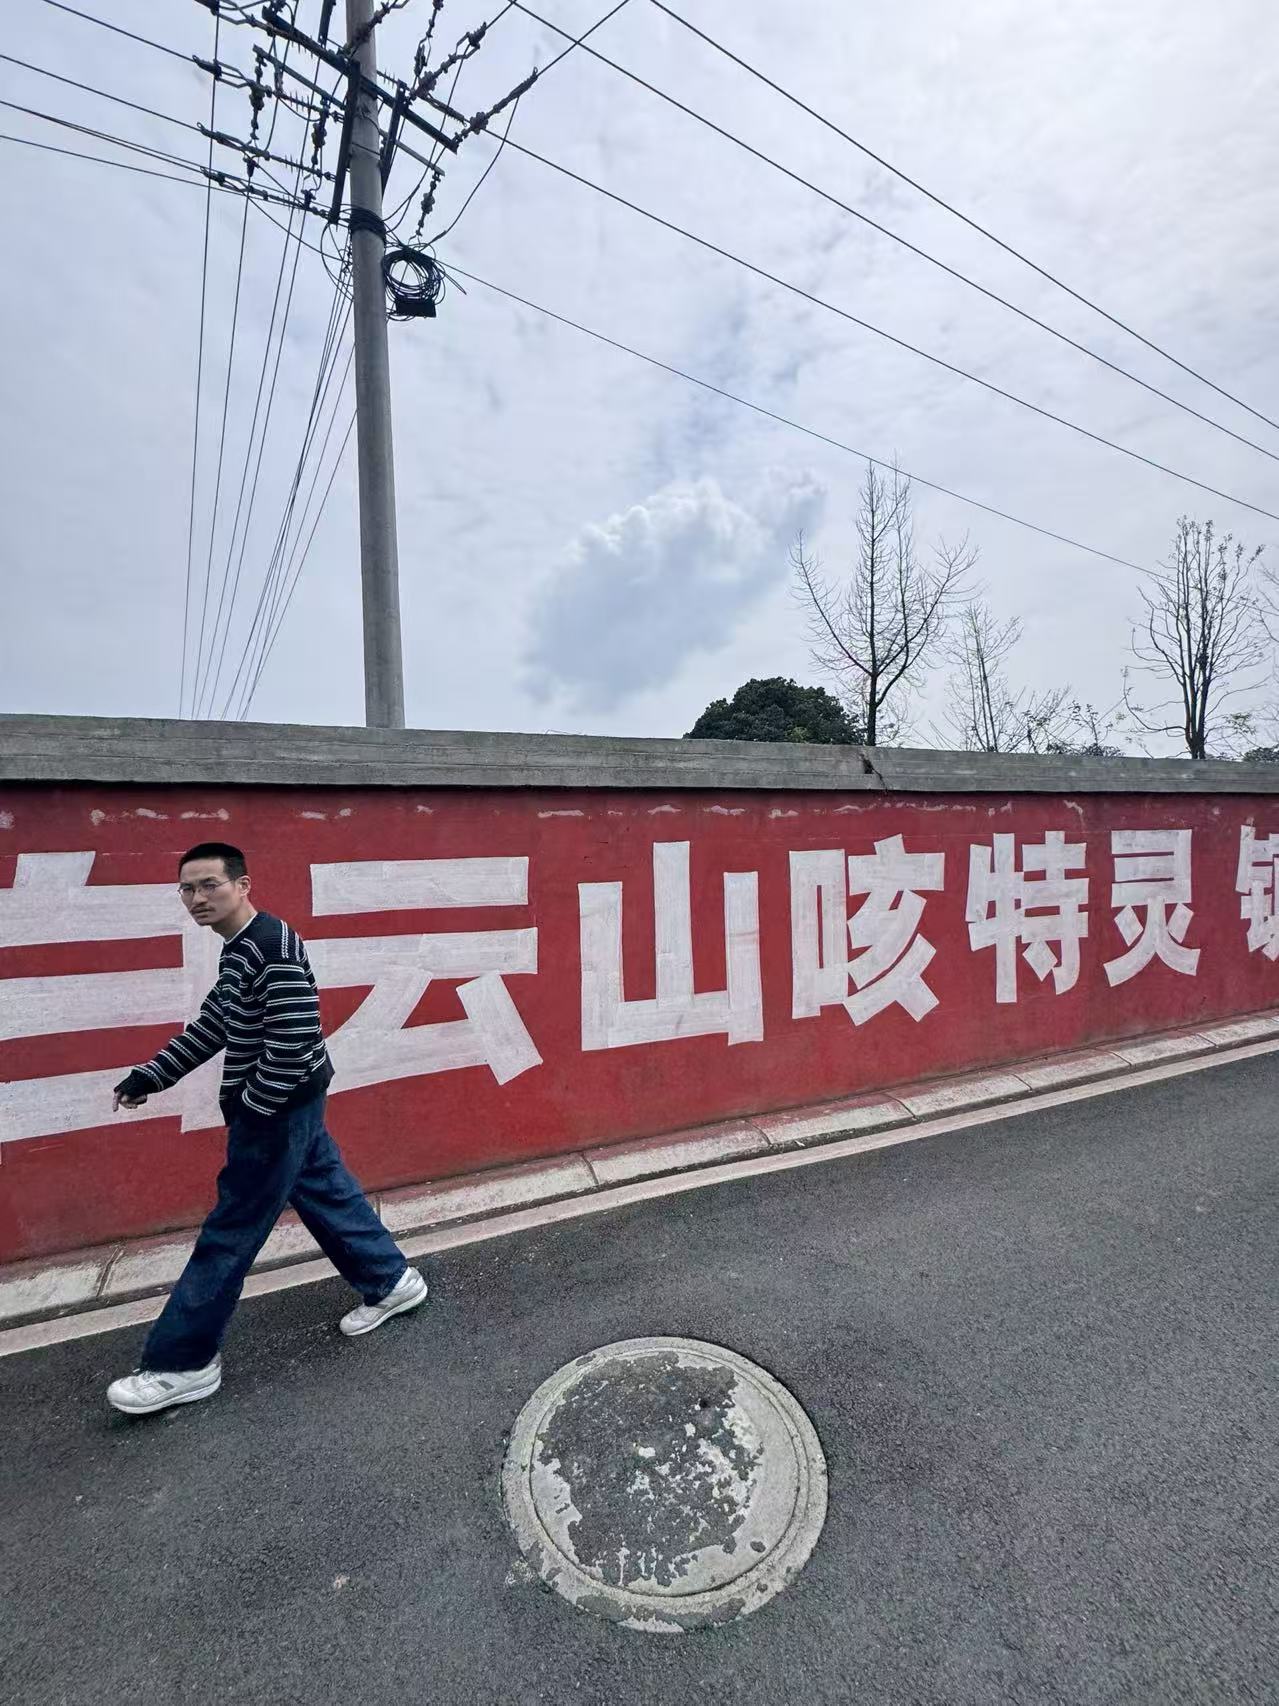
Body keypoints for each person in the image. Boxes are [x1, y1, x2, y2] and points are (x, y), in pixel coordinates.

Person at [107, 841, 426, 1417]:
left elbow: (296, 1039)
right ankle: (391, 1281)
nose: (197, 898)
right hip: (288, 1105)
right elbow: (215, 1023)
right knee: (324, 1190)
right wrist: (152, 1076)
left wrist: (255, 1109)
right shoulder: (242, 948)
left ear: (242, 885)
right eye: (187, 888)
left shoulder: (269, 947)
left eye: (210, 884)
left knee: (231, 1229)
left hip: (276, 1111)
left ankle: (183, 1363)